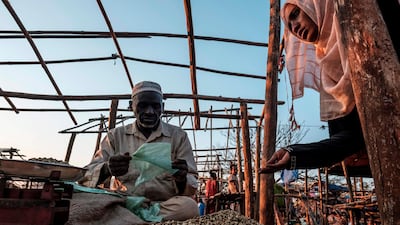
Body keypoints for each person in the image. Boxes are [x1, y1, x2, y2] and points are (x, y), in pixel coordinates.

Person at [70, 81, 199, 224]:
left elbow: (191, 184)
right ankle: (139, 220)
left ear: (162, 107)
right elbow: (86, 176)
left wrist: (181, 178)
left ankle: (130, 221)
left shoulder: (178, 136)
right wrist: (107, 168)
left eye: (155, 106)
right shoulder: (115, 136)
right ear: (132, 106)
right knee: (81, 201)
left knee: (190, 207)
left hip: (164, 205)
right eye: (143, 105)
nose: (150, 111)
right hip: (124, 203)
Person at [260, 0, 365, 173]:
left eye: (295, 15)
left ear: (316, 5)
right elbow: (348, 141)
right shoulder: (328, 76)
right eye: (290, 26)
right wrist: (293, 154)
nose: (294, 27)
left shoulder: (364, 26)